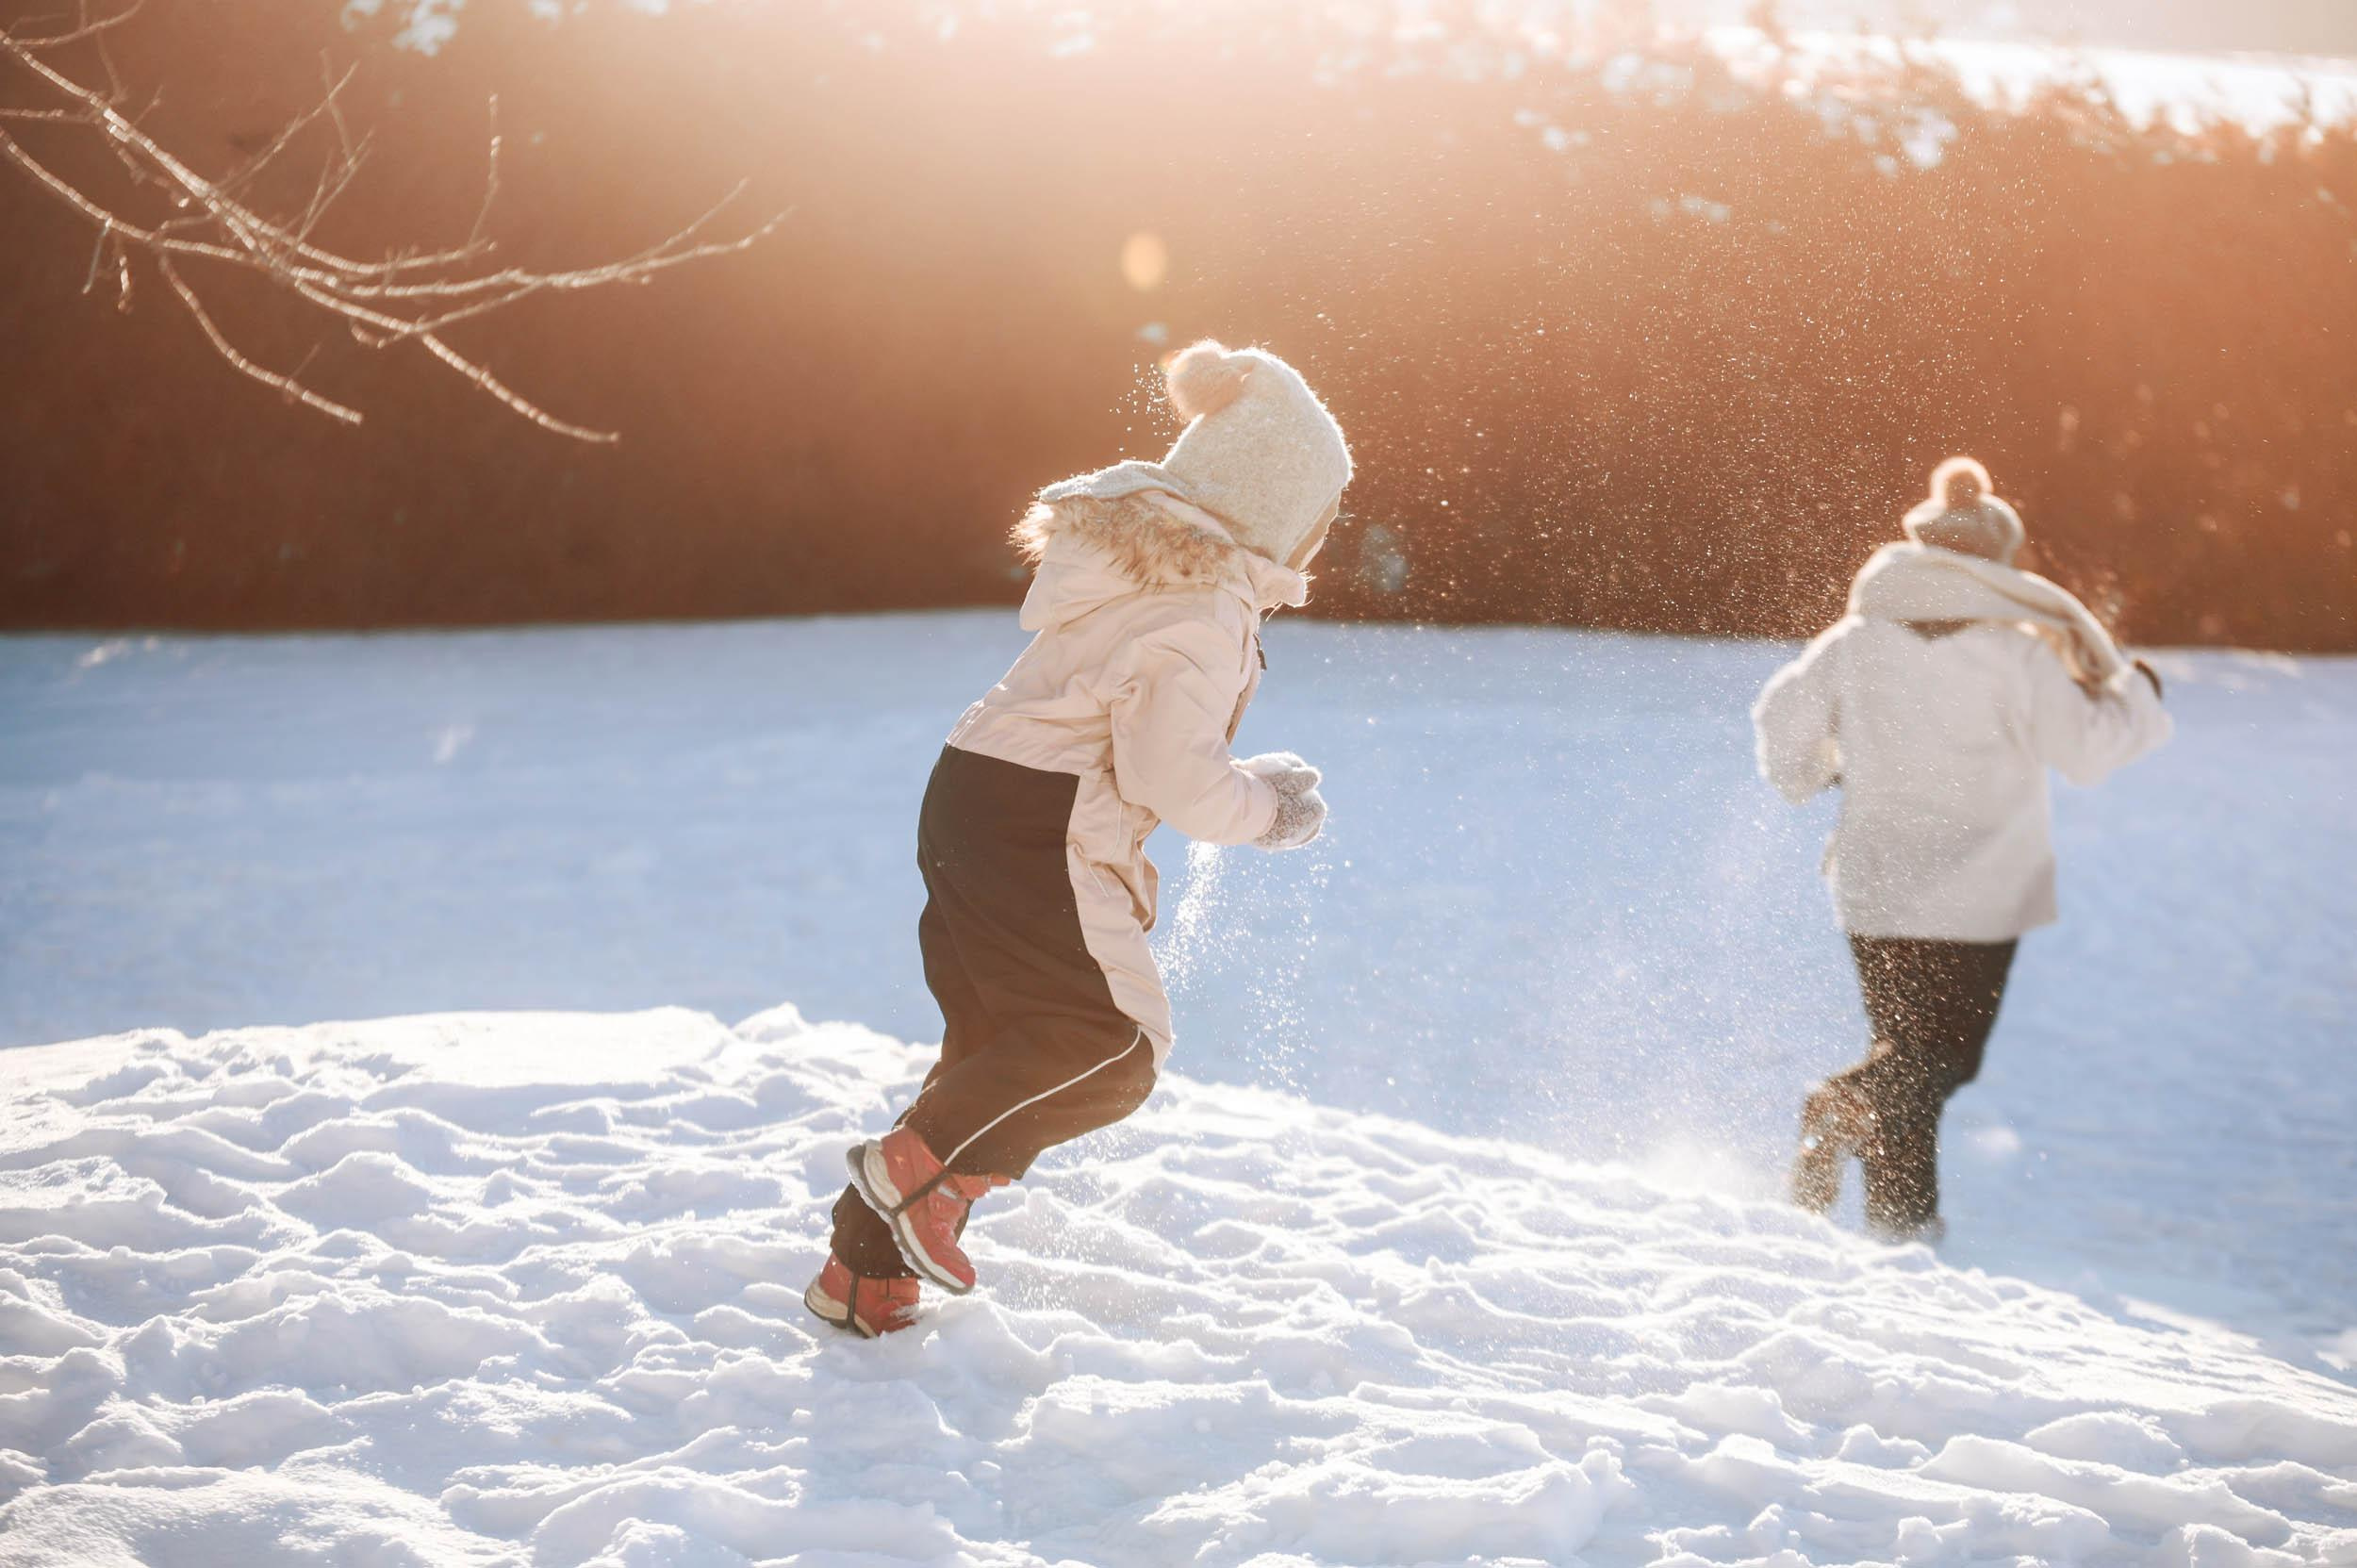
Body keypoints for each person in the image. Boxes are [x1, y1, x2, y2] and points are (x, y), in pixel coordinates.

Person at [805, 340, 1351, 1335]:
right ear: (1277, 505)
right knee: (1110, 1044)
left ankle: (864, 1271)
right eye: (1320, 517)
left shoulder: (1154, 573)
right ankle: (911, 1176)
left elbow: (1142, 733)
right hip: (1036, 819)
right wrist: (1268, 812)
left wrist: (1245, 778)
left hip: (976, 795)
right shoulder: (1206, 604)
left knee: (998, 1049)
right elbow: (1172, 780)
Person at [1752, 456, 2171, 1241]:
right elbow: (2085, 749)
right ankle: (1839, 1110)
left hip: (1875, 889)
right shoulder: (2015, 652)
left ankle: (1899, 1232)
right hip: (1980, 897)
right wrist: (2138, 694)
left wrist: (1822, 769)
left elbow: (1784, 726)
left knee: (1905, 1056)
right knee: (1939, 1061)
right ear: (1996, 560)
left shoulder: (1855, 640)